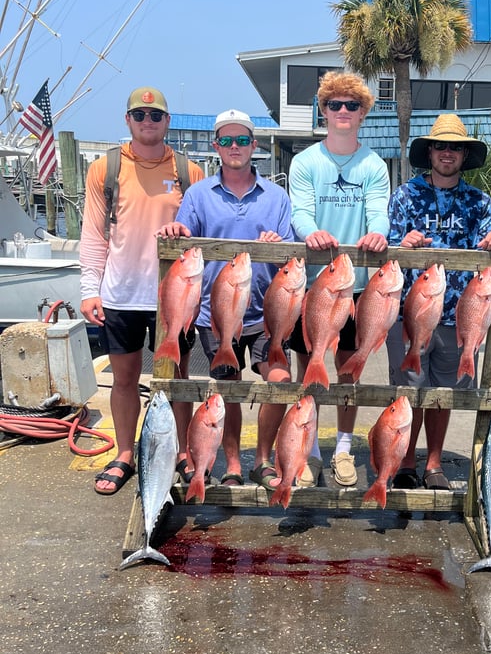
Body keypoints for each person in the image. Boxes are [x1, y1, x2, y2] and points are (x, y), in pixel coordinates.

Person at [156, 109, 295, 490]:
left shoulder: (277, 196)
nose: (235, 147)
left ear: (255, 145)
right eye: (227, 140)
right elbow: (184, 234)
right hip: (215, 313)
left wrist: (277, 245)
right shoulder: (199, 194)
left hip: (267, 310)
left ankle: (263, 459)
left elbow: (288, 247)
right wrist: (175, 229)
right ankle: (233, 463)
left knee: (280, 382)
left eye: (243, 140)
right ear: (216, 146)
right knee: (228, 389)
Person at [80, 86, 204, 495]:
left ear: (167, 122)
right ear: (127, 119)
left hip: (175, 295)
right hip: (119, 293)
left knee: (181, 376)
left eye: (155, 115)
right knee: (124, 379)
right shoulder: (104, 169)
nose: (147, 121)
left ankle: (185, 452)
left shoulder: (190, 171)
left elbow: (201, 236)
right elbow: (94, 235)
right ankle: (125, 453)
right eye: (139, 114)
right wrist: (89, 289)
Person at [386, 114, 491, 490]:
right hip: (413, 311)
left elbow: (490, 242)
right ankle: (406, 459)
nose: (447, 153)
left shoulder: (480, 201)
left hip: (461, 315)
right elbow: (390, 245)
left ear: (465, 154)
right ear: (430, 152)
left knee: (444, 394)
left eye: (455, 147)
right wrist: (402, 244)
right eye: (440, 146)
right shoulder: (405, 195)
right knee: (409, 389)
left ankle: (434, 462)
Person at [288, 71, 390, 486]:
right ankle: (309, 450)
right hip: (313, 285)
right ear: (323, 111)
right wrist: (308, 231)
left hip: (358, 288)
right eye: (335, 104)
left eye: (352, 105)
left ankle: (343, 448)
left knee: (350, 372)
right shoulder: (305, 161)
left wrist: (379, 230)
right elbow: (300, 211)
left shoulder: (374, 164)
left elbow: (379, 209)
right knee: (308, 369)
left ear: (363, 113)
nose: (343, 111)